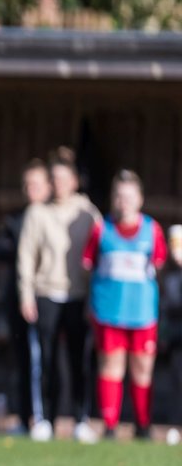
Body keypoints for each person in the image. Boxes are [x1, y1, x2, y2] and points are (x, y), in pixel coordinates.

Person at [17, 146, 102, 443]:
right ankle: (45, 419)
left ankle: (80, 418)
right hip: (46, 294)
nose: (60, 184)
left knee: (79, 361)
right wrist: (26, 294)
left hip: (78, 295)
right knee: (47, 360)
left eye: (66, 178)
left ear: (75, 181)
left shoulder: (88, 213)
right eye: (55, 178)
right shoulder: (37, 213)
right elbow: (26, 257)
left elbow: (99, 254)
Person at [83, 170, 165, 440]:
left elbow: (159, 263)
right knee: (111, 367)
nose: (123, 202)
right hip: (109, 311)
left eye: (129, 196)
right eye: (118, 196)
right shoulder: (101, 228)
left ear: (140, 199)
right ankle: (110, 424)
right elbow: (88, 263)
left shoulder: (152, 230)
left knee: (142, 370)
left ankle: (143, 424)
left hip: (142, 312)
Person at [0, 160, 50, 434]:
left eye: (36, 184)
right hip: (17, 299)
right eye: (27, 185)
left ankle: (47, 419)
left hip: (49, 297)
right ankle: (23, 417)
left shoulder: (54, 216)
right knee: (22, 360)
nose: (31, 190)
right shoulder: (16, 219)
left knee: (45, 361)